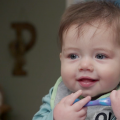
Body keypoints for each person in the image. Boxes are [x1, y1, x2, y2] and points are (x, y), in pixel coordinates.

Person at [32, 1, 120, 120]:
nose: (84, 65)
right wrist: (56, 118)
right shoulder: (60, 94)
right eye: (73, 56)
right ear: (61, 59)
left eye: (100, 56)